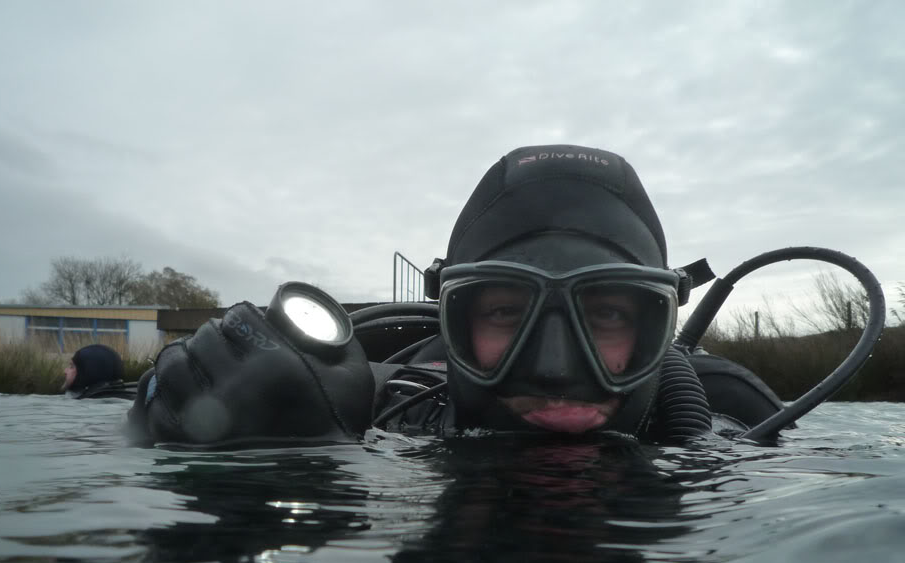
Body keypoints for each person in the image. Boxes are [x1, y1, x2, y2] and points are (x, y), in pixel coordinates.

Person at [127, 144, 783, 447]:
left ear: (661, 320)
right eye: (505, 310)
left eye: (608, 313)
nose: (556, 369)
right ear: (452, 314)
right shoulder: (376, 412)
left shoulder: (736, 417)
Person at [63, 343, 134, 400]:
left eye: (72, 367)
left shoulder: (89, 405)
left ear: (89, 373)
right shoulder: (129, 398)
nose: (65, 371)